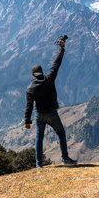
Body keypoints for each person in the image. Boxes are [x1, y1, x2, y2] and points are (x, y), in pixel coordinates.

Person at [24, 38, 77, 168]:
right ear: (41, 72)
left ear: (33, 74)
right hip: (52, 113)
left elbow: (29, 105)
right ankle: (65, 159)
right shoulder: (49, 78)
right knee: (61, 133)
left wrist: (27, 121)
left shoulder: (30, 88)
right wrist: (62, 49)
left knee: (39, 138)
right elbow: (56, 64)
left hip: (39, 115)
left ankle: (38, 164)